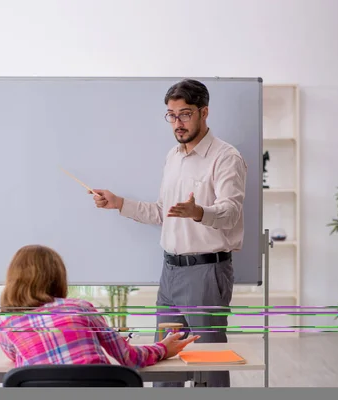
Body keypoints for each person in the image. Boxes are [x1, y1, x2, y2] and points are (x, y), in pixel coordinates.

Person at [89, 79, 247, 387]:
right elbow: (163, 213)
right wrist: (118, 203)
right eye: (171, 115)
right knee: (164, 360)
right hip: (170, 272)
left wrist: (199, 212)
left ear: (204, 112)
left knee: (209, 360)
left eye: (185, 114)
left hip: (206, 271)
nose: (177, 123)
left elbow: (231, 214)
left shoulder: (225, 157)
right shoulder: (173, 157)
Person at [0, 244, 198, 369]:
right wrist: (163, 348)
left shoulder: (2, 323)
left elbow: (18, 358)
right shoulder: (80, 308)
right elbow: (128, 358)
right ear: (57, 277)